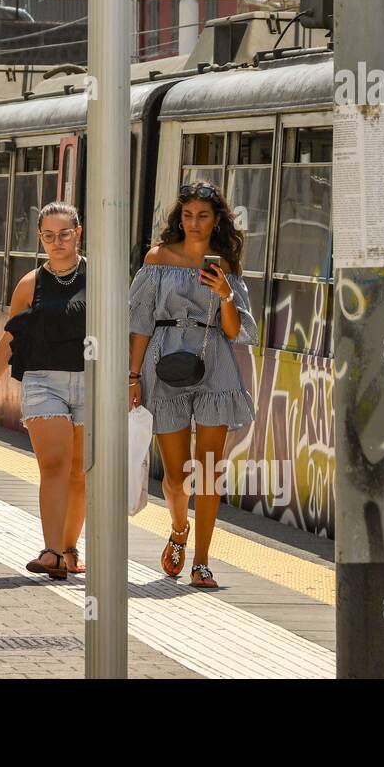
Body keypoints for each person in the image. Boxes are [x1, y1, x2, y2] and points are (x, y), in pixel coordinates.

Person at [127, 181, 257, 589]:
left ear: (216, 219)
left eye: (203, 215)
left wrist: (225, 294)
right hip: (164, 362)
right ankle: (179, 528)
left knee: (209, 470)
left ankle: (202, 562)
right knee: (178, 475)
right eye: (187, 215)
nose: (194, 223)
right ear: (178, 218)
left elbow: (235, 331)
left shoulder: (226, 264)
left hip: (213, 360)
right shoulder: (158, 257)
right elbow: (140, 321)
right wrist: (132, 376)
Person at [0, 202, 87, 579]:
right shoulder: (31, 284)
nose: (56, 242)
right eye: (48, 236)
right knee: (55, 466)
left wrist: (129, 380)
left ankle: (71, 549)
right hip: (44, 382)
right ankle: (51, 551)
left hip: (91, 382)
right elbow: (11, 339)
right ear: (40, 238)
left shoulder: (100, 277)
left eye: (64, 234)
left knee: (80, 471)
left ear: (78, 233)